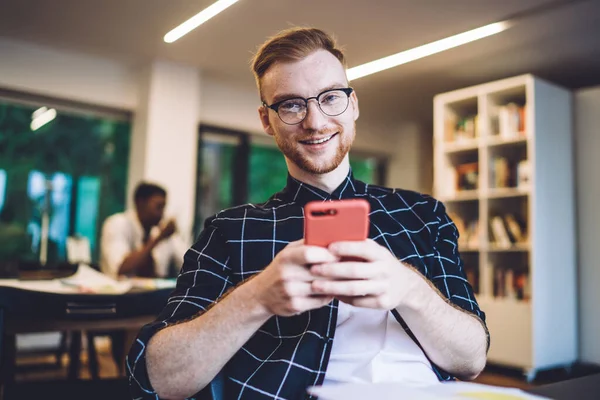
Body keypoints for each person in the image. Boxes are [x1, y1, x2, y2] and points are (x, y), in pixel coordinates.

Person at [127, 28, 489, 399]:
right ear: (267, 120)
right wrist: (257, 298)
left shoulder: (422, 214)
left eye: (331, 97)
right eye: (291, 104)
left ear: (353, 105)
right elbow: (158, 377)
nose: (315, 122)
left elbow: (472, 358)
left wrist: (409, 289)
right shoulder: (228, 231)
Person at [100, 182, 187, 278]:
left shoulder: (157, 229)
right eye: (158, 207)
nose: (162, 213)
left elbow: (185, 263)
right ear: (140, 203)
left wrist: (175, 235)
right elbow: (120, 268)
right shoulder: (117, 224)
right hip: (118, 291)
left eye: (164, 207)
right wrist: (158, 239)